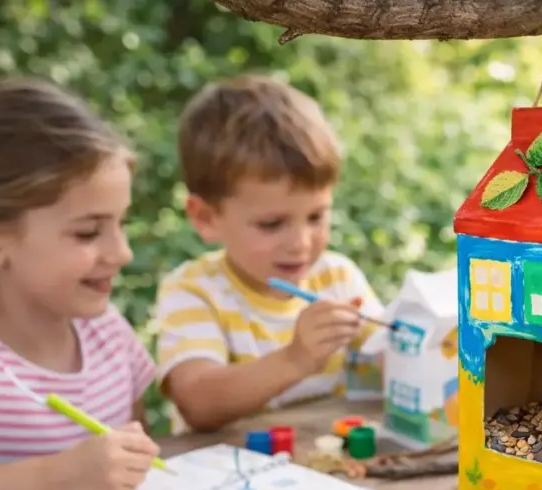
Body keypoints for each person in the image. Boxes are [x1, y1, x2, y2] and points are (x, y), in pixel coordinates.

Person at [0, 78, 162, 490]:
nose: (121, 253)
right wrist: (53, 479)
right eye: (87, 232)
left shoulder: (109, 334)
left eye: (121, 224)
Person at [154, 74, 385, 434]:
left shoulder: (337, 278)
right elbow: (197, 401)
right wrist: (296, 359)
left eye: (315, 216)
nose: (301, 243)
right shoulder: (194, 291)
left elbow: (389, 360)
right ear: (206, 218)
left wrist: (409, 345)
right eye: (271, 224)